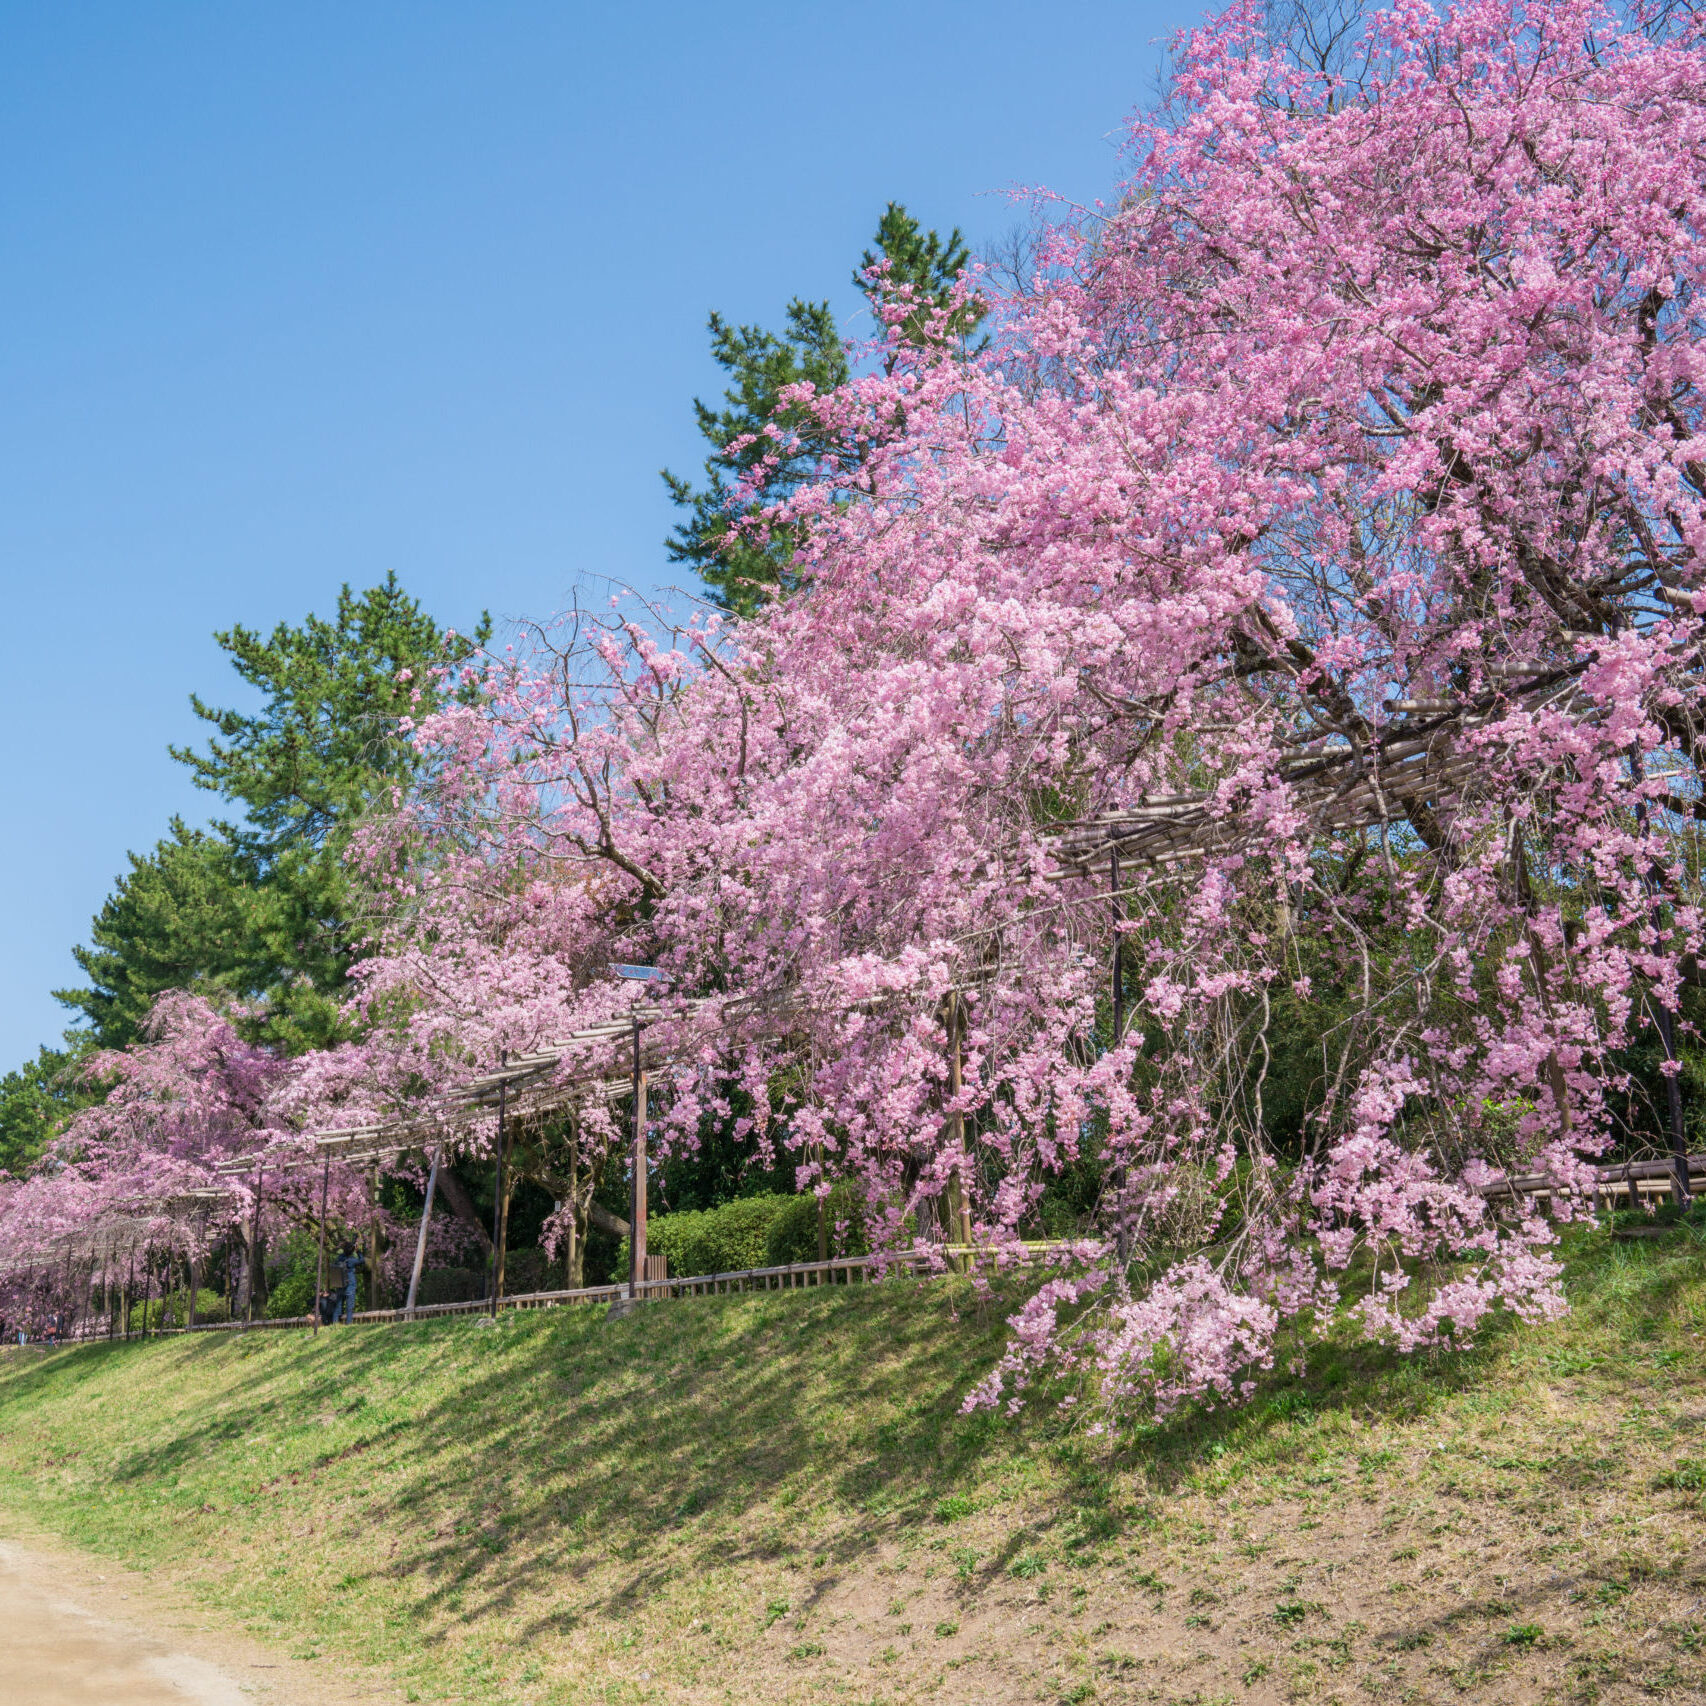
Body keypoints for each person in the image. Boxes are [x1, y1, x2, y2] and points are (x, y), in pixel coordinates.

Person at [333, 1243, 366, 1323]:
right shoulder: (352, 1260)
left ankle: (335, 1324)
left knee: (338, 1306)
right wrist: (358, 1252)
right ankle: (348, 1323)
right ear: (352, 1251)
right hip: (350, 1285)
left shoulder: (340, 1258)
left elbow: (344, 1253)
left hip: (340, 1284)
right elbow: (362, 1261)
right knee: (349, 1307)